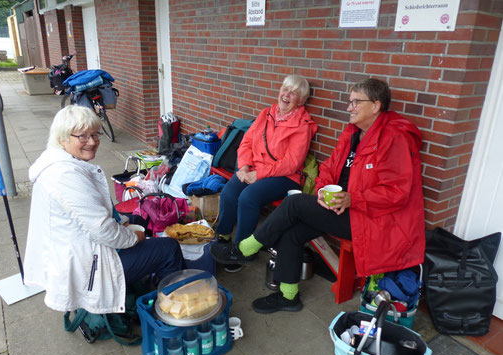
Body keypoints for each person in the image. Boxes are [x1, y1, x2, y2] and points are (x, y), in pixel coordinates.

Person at [211, 78, 425, 313]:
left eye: (355, 102)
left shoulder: (394, 138)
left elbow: (398, 192)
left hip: (368, 218)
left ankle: (244, 249)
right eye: (349, 102)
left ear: (375, 105)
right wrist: (323, 190)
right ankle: (288, 296)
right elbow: (328, 169)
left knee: (294, 204)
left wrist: (354, 199)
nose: (349, 108)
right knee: (291, 232)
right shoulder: (352, 134)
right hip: (340, 208)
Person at [24, 105, 186, 314]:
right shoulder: (66, 176)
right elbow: (103, 231)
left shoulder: (55, 162)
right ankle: (173, 311)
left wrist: (126, 224)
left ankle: (147, 283)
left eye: (95, 134)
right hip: (87, 267)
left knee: (139, 218)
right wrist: (135, 237)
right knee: (169, 248)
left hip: (74, 254)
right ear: (63, 138)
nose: (92, 142)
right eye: (82, 136)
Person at [211, 74, 318, 272]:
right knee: (229, 192)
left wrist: (258, 175)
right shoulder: (266, 114)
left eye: (294, 93)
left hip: (285, 177)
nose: (286, 95)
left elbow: (292, 163)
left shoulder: (303, 126)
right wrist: (243, 166)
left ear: (301, 101)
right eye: (285, 89)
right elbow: (247, 142)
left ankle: (243, 251)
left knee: (248, 197)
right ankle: (223, 236)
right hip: (253, 169)